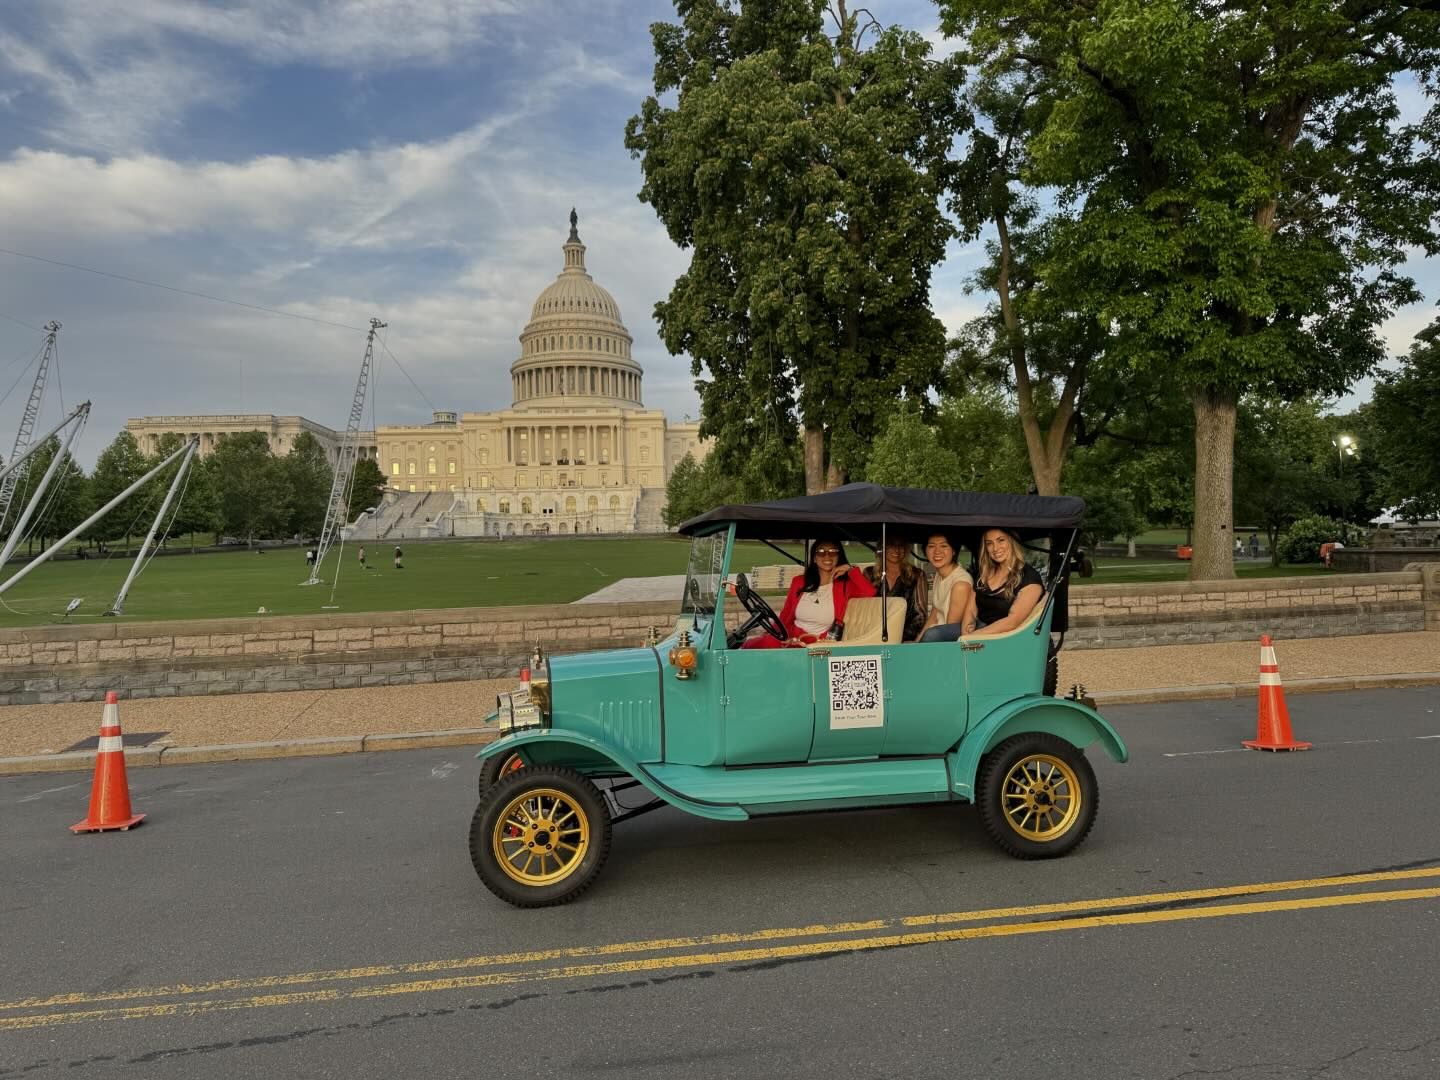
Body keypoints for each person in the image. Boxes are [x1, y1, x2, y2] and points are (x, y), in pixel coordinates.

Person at [743, 536, 875, 648]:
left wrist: (851, 570)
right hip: (792, 637)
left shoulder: (845, 585)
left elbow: (871, 593)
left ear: (839, 556)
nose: (827, 556)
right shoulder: (799, 582)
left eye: (833, 552)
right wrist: (775, 634)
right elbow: (786, 615)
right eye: (821, 552)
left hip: (821, 643)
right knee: (754, 644)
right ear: (814, 557)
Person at [968, 528, 1045, 635]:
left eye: (1001, 540)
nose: (995, 548)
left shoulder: (1029, 578)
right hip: (980, 629)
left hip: (1008, 637)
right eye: (989, 543)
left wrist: (974, 637)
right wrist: (965, 632)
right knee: (937, 634)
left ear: (1012, 541)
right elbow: (970, 611)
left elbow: (1012, 622)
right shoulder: (984, 573)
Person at [864, 535, 929, 642]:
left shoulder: (917, 575)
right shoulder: (869, 573)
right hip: (873, 636)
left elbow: (921, 614)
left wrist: (899, 637)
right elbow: (865, 610)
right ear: (882, 548)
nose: (896, 549)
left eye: (901, 546)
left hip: (906, 638)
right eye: (891, 545)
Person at [917, 533, 975, 643]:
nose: (937, 551)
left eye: (944, 546)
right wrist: (917, 642)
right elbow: (935, 613)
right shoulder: (939, 574)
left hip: (945, 644)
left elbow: (948, 633)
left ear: (954, 551)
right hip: (934, 636)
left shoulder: (960, 584)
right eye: (931, 546)